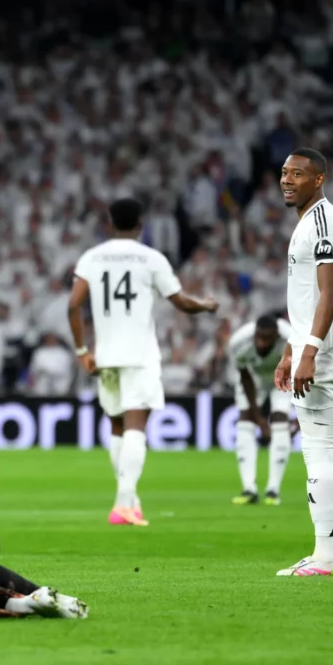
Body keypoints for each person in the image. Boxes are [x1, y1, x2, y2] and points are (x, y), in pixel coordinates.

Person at [68, 198, 219, 527]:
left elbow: (73, 305)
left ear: (109, 224)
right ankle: (123, 504)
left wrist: (82, 351)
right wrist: (206, 305)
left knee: (118, 427)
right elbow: (180, 302)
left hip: (105, 355)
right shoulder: (151, 258)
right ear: (141, 226)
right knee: (137, 426)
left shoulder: (92, 257)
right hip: (139, 354)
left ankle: (130, 502)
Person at [274, 148, 333, 577]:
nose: (288, 180)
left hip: (325, 354)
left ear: (319, 179)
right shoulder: (310, 221)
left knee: (316, 450)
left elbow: (330, 293)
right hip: (322, 348)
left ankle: (325, 556)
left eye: (299, 174)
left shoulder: (324, 221)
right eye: (285, 173)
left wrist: (308, 352)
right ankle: (328, 552)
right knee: (330, 448)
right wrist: (292, 347)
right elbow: (308, 297)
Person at [227, 314, 295, 506]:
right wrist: (259, 418)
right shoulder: (238, 343)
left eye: (268, 339)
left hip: (282, 377)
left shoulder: (291, 338)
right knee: (245, 420)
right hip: (253, 378)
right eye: (259, 338)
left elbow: (301, 370)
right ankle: (249, 489)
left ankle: (273, 490)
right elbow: (245, 377)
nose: (262, 344)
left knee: (281, 422)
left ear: (277, 336)